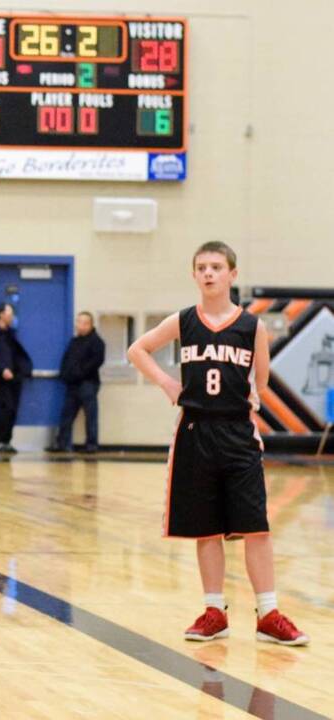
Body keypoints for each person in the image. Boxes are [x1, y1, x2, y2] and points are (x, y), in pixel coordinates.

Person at [128, 241, 308, 646]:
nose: (208, 273)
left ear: (232, 274)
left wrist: (256, 394)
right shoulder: (183, 320)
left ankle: (268, 612)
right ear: (194, 275)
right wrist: (167, 383)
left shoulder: (252, 327)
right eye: (201, 267)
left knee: (255, 526)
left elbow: (260, 382)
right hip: (195, 431)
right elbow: (137, 350)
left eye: (216, 266)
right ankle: (214, 611)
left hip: (238, 434)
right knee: (205, 530)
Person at [50, 312, 106, 453]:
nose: (78, 325)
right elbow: (67, 359)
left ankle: (91, 445)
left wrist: (78, 374)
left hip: (88, 383)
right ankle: (62, 443)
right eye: (77, 321)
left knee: (90, 415)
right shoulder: (75, 341)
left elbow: (95, 362)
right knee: (67, 414)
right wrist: (65, 374)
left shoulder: (97, 342)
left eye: (82, 322)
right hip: (72, 384)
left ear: (89, 324)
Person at [0, 303, 32, 453]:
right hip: (0, 378)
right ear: (1, 314)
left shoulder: (11, 333)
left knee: (13, 409)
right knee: (6, 408)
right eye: (10, 312)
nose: (12, 316)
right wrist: (2, 370)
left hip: (15, 377)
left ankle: (7, 441)